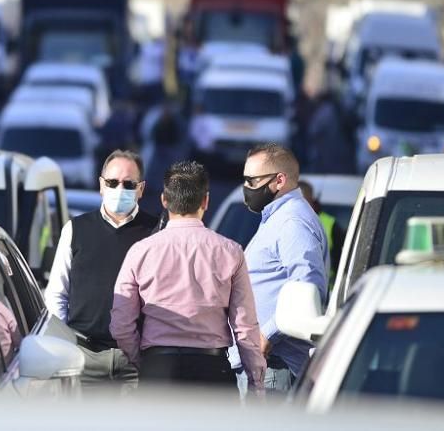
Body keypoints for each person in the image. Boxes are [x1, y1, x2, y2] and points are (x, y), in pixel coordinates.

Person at [110, 161, 265, 393]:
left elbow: (121, 324)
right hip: (212, 370)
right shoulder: (230, 251)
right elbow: (245, 327)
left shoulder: (141, 251)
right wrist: (256, 383)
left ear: (164, 200)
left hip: (158, 368)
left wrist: (141, 360)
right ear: (206, 201)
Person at [44, 150, 158, 391]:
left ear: (141, 189)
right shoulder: (76, 229)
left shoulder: (155, 232)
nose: (120, 189)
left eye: (129, 184)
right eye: (113, 182)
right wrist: (67, 345)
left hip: (136, 362)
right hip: (84, 356)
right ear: (101, 185)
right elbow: (57, 293)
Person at [237, 143, 328, 394]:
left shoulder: (292, 222)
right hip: (266, 362)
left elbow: (308, 289)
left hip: (276, 363)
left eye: (252, 181)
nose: (247, 188)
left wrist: (267, 335)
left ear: (279, 180)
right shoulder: (278, 218)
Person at [299, 179, 345, 288]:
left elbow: (341, 263)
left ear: (311, 200)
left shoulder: (330, 224)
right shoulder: (284, 222)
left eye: (300, 200)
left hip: (325, 292)